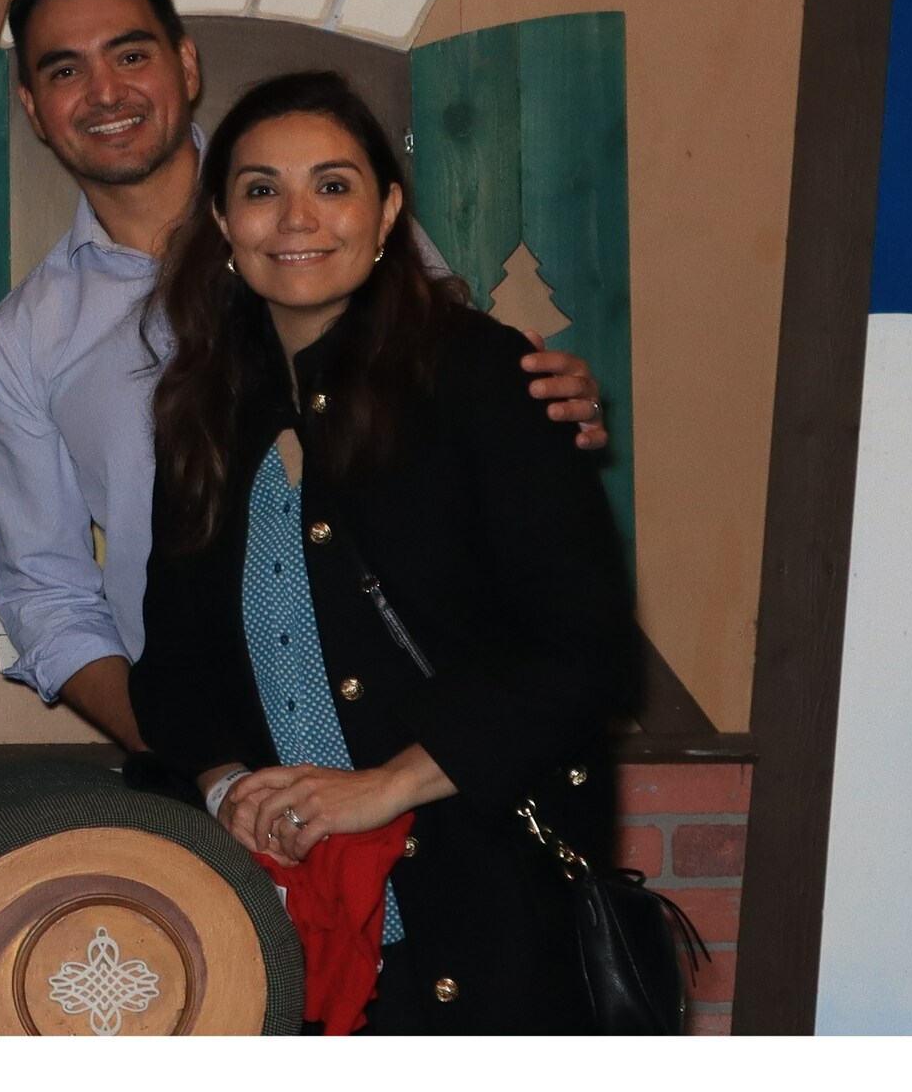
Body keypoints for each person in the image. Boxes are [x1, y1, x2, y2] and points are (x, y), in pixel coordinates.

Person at [0, 0, 608, 746]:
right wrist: (195, 757)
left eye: (131, 54)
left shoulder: (329, 228)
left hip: (425, 730)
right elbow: (44, 593)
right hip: (228, 757)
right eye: (66, 69)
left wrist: (540, 403)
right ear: (34, 108)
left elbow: (465, 405)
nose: (106, 91)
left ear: (186, 63)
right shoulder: (28, 335)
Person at [127, 71, 643, 1032]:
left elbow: (586, 651)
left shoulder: (486, 374)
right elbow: (175, 671)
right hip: (289, 916)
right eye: (261, 189)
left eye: (333, 184)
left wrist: (384, 787)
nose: (297, 217)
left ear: (388, 211)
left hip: (480, 906)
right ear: (224, 222)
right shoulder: (202, 411)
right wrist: (227, 785)